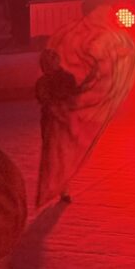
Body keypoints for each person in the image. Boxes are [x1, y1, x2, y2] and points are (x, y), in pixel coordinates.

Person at [35, 48, 96, 204]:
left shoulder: (65, 79)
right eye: (46, 61)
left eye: (51, 60)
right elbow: (44, 100)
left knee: (62, 155)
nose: (49, 64)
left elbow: (73, 98)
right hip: (52, 122)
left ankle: (63, 187)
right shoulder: (43, 82)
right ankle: (61, 187)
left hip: (62, 122)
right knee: (56, 156)